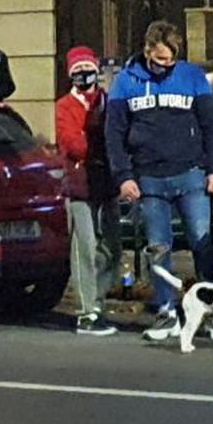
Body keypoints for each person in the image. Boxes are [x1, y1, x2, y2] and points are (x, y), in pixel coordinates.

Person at [105, 21, 213, 341]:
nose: (164, 67)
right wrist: (123, 176)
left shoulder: (193, 77)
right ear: (147, 52)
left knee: (202, 244)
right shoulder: (126, 82)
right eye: (158, 60)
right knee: (158, 248)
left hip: (191, 175)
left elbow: (212, 125)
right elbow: (113, 132)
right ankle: (166, 311)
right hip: (149, 180)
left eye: (170, 61)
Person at [56, 46, 121, 337]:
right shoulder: (65, 106)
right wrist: (94, 136)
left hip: (107, 181)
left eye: (88, 70)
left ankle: (100, 299)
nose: (84, 76)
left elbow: (119, 136)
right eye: (77, 72)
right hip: (81, 183)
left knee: (111, 244)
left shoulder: (109, 102)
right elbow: (74, 144)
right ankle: (87, 310)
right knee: (84, 246)